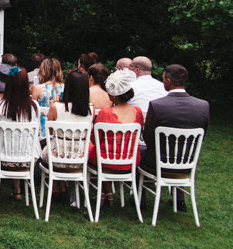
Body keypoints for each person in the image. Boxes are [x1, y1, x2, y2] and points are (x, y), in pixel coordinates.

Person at [140, 64, 209, 212]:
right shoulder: (203, 105)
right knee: (178, 154)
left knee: (138, 150)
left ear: (168, 81)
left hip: (158, 162)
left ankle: (139, 198)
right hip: (186, 163)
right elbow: (201, 138)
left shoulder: (157, 105)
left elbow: (148, 137)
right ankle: (179, 199)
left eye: (163, 78)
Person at [88, 68, 144, 207]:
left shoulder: (106, 112)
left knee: (93, 148)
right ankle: (108, 193)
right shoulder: (138, 112)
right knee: (107, 151)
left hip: (105, 161)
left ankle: (102, 192)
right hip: (129, 160)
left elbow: (95, 139)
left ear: (113, 95)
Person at [0, 67, 39, 201]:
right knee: (18, 147)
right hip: (28, 160)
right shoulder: (33, 107)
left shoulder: (0, 106)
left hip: (4, 160)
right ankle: (17, 191)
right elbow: (36, 133)